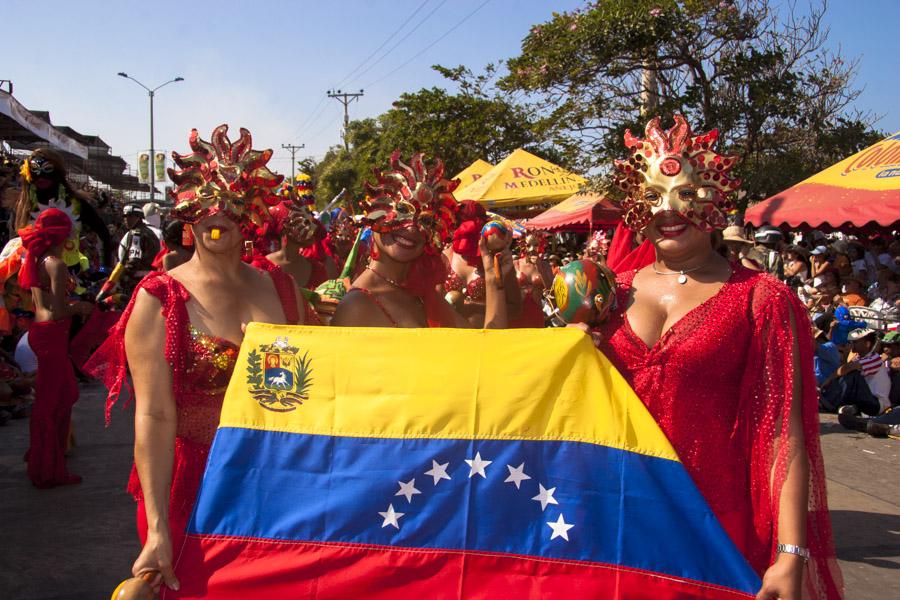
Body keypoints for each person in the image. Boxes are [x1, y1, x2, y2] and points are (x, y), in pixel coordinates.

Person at [597, 115, 841, 598]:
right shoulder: (608, 293)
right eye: (653, 197)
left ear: (712, 198)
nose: (668, 211)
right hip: (617, 515)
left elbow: (783, 434)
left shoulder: (763, 300)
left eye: (684, 195)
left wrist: (790, 553)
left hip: (715, 521)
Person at [86, 125, 307, 594]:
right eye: (204, 202)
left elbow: (306, 394)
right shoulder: (159, 297)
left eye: (231, 201)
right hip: (190, 489)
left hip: (272, 481)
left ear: (251, 207)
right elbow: (153, 415)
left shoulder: (284, 290)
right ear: (186, 209)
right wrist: (161, 526)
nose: (217, 215)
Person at [332, 151, 511, 329]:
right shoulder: (357, 305)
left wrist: (492, 274)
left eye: (425, 220)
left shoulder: (420, 295)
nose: (412, 227)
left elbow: (484, 349)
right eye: (403, 210)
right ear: (376, 212)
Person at [19, 208, 93, 487]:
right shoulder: (56, 264)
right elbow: (60, 311)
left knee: (64, 395)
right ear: (63, 234)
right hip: (52, 334)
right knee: (50, 404)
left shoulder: (38, 259)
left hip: (44, 332)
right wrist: (81, 307)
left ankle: (45, 456)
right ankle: (46, 468)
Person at [828, 328, 891, 417]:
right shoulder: (858, 358)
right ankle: (845, 406)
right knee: (849, 373)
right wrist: (846, 355)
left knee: (854, 374)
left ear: (867, 344)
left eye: (855, 342)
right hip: (865, 400)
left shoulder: (875, 358)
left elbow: (846, 369)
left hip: (876, 404)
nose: (852, 344)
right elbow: (843, 369)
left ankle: (830, 402)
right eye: (851, 342)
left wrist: (827, 382)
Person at [117, 205, 161, 296]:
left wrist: (123, 276)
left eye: (130, 216)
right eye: (125, 217)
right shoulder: (149, 232)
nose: (126, 219)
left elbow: (134, 260)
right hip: (151, 278)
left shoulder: (136, 234)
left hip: (137, 280)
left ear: (138, 217)